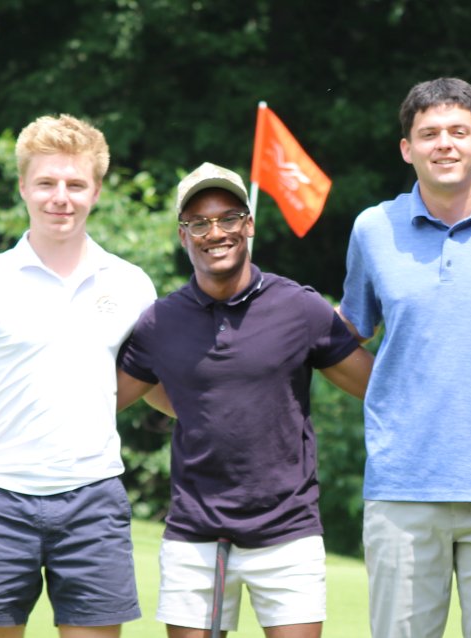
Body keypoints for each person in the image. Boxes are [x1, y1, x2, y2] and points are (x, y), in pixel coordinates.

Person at [0, 114, 157, 637]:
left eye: (75, 184)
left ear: (96, 191)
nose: (61, 197)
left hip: (94, 498)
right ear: (24, 186)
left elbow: (155, 382)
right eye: (47, 183)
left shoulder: (132, 284)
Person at [339, 77, 471, 637]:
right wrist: (394, 390)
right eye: (429, 133)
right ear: (406, 149)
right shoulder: (373, 228)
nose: (445, 143)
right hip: (403, 486)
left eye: (459, 131)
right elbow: (344, 339)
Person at [117, 162, 373, 638]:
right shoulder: (159, 322)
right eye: (199, 222)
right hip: (196, 536)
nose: (215, 232)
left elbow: (377, 387)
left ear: (249, 225)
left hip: (287, 531)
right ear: (183, 235)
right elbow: (105, 400)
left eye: (229, 218)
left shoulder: (299, 307)